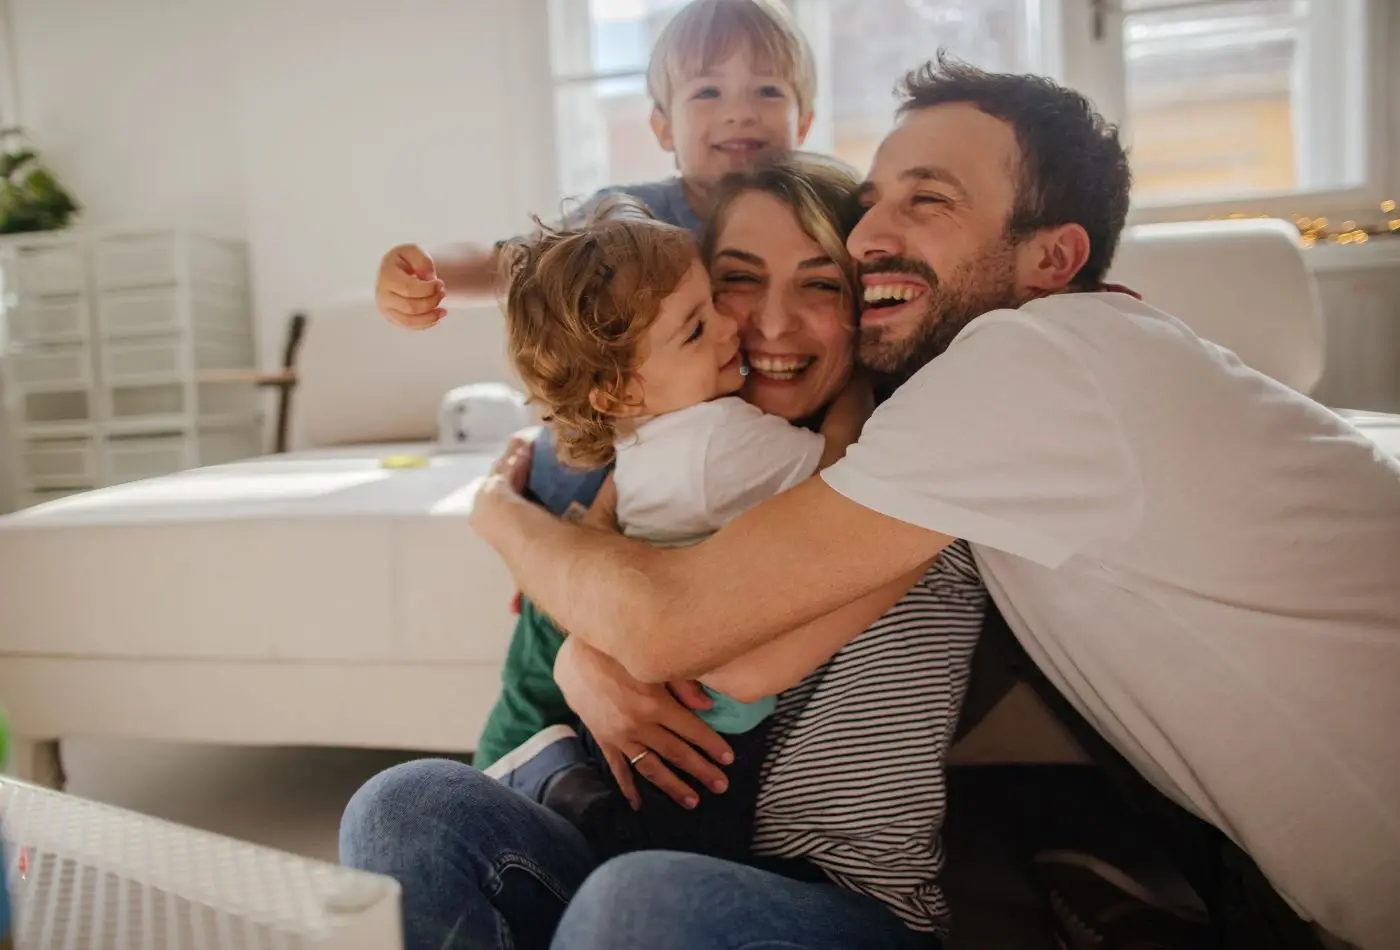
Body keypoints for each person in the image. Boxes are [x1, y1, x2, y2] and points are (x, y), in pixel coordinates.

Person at [467, 56, 1400, 950]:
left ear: (1052, 258)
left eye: (929, 200)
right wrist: (589, 643)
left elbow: (688, 634)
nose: (870, 235)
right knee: (416, 806)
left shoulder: (1030, 364)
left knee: (638, 904)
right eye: (871, 203)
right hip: (1318, 883)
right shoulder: (1006, 400)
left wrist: (500, 517)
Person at [342, 155, 984, 950]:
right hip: (638, 848)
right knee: (402, 803)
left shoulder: (915, 463)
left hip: (840, 905)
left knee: (635, 903)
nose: (765, 326)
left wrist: (517, 534)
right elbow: (610, 579)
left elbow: (704, 643)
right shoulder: (669, 456)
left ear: (868, 301)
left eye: (821, 284)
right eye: (732, 284)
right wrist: (568, 624)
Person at [370, 0, 820, 767]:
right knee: (559, 481)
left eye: (768, 92)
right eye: (707, 92)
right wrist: (431, 274)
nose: (739, 111)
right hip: (599, 479)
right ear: (660, 127)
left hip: (707, 501)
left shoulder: (817, 210)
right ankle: (525, 739)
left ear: (805, 120)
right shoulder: (632, 219)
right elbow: (516, 261)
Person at [483, 191, 895, 865]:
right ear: (618, 391)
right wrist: (858, 393)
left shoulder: (639, 435)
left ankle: (534, 772)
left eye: (820, 283)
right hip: (706, 721)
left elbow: (596, 521)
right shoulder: (720, 437)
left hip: (662, 682)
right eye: (702, 324)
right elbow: (836, 466)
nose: (739, 329)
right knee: (688, 837)